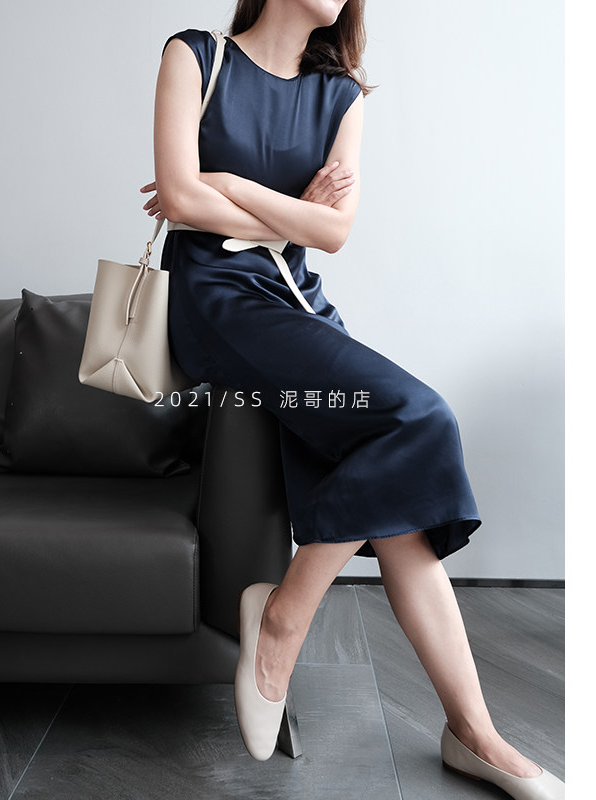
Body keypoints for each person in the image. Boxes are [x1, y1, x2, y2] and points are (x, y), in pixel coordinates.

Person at [141, 2, 563, 798]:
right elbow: (179, 199)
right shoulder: (194, 56)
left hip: (297, 303)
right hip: (218, 304)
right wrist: (286, 208)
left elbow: (332, 234)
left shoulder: (342, 96)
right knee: (420, 418)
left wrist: (229, 183)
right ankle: (283, 620)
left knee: (401, 494)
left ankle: (473, 732)